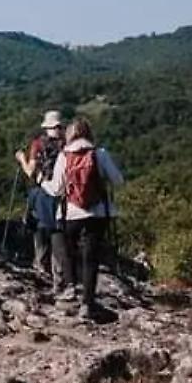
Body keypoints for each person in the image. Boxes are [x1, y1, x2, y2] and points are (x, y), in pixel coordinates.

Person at [40, 117, 124, 320]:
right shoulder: (99, 154)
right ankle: (88, 302)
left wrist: (42, 181)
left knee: (69, 254)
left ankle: (70, 290)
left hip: (70, 214)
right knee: (91, 258)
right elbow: (118, 181)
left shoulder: (64, 156)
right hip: (97, 214)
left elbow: (56, 189)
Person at [15, 110, 65, 287]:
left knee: (41, 230)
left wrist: (21, 158)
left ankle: (41, 270)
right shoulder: (67, 145)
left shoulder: (38, 144)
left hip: (42, 191)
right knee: (59, 234)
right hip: (63, 194)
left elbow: (30, 172)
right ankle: (59, 275)